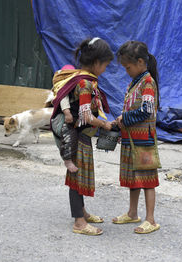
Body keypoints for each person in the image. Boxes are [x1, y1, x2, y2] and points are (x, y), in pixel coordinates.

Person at [51, 37, 113, 235]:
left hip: (81, 136)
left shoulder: (82, 78)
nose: (105, 69)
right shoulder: (85, 83)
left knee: (78, 175)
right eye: (105, 65)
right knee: (77, 176)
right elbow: (86, 116)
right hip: (77, 136)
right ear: (96, 63)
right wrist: (104, 124)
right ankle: (79, 222)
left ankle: (82, 212)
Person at [112, 41, 160, 234]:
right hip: (132, 138)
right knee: (134, 177)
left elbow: (147, 110)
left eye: (128, 67)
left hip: (144, 140)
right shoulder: (136, 82)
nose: (126, 70)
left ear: (140, 62)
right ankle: (133, 213)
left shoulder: (148, 82)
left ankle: (151, 219)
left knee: (147, 178)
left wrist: (125, 117)